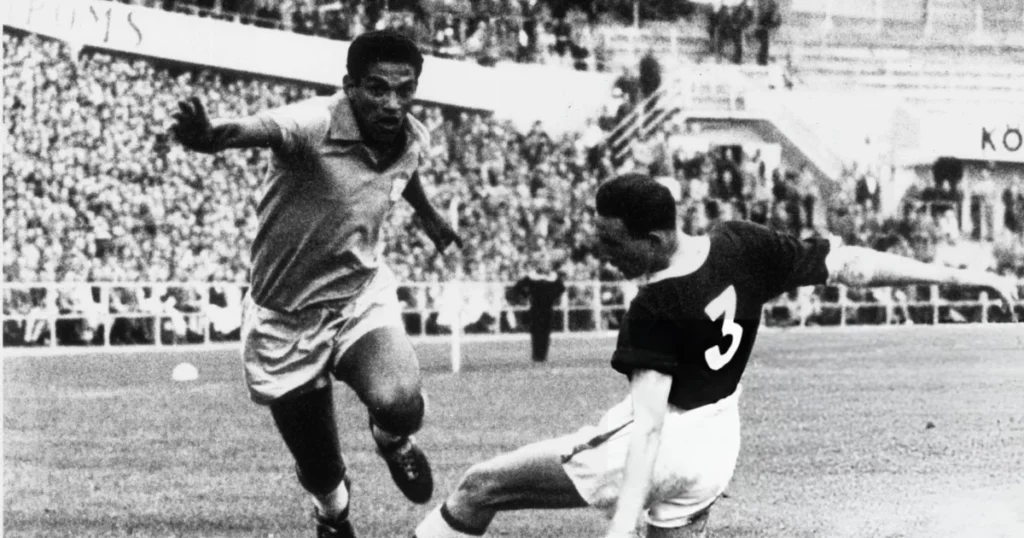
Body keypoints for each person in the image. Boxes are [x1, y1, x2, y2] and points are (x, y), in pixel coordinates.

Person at [412, 173, 1019, 538]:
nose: (603, 253)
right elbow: (852, 263)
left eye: (610, 242)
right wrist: (960, 278)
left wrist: (621, 522)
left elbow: (647, 426)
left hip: (662, 446)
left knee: (478, 487)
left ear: (651, 239)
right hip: (717, 447)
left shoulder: (657, 305)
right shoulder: (742, 245)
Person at [169, 30, 462, 538]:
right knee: (322, 470)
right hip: (284, 315)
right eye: (376, 89)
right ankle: (332, 515)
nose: (392, 103)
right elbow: (264, 127)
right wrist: (213, 136)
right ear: (349, 85)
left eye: (404, 89)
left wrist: (432, 219)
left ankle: (392, 441)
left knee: (400, 402)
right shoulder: (316, 122)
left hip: (357, 297)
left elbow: (401, 171)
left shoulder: (411, 135)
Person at [511, 258, 566, 362]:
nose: (546, 266)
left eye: (547, 264)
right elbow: (518, 287)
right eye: (543, 264)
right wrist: (526, 295)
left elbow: (561, 289)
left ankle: (543, 356)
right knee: (536, 332)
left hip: (548, 308)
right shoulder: (532, 276)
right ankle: (536, 356)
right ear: (538, 265)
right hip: (535, 308)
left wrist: (554, 297)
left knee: (546, 332)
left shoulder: (553, 277)